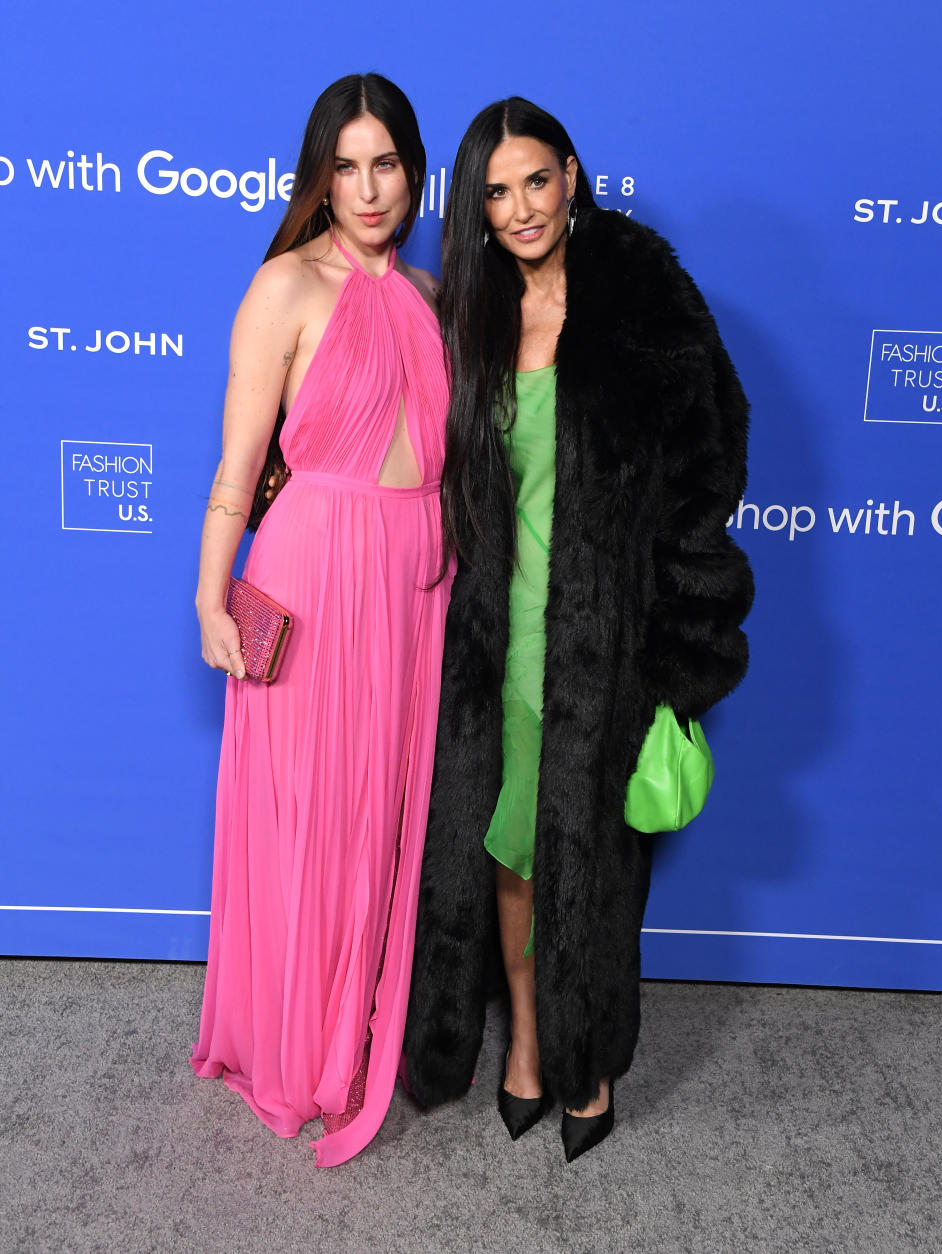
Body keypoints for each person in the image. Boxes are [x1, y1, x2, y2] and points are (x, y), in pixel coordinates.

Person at [403, 98, 753, 1162]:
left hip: (607, 647)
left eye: (535, 182)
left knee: (595, 861)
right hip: (496, 642)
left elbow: (708, 475)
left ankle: (588, 1057)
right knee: (509, 852)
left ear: (572, 174)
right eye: (496, 192)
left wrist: (679, 649)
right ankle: (527, 1046)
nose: (519, 209)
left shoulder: (644, 296)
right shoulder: (471, 318)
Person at [190, 73, 452, 1168]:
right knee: (308, 822)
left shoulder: (434, 296)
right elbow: (239, 464)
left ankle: (360, 1028)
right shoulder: (285, 288)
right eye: (344, 166)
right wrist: (210, 594)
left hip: (415, 584)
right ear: (318, 176)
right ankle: (300, 1051)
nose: (367, 186)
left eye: (385, 161)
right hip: (310, 577)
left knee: (384, 821)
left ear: (414, 166)